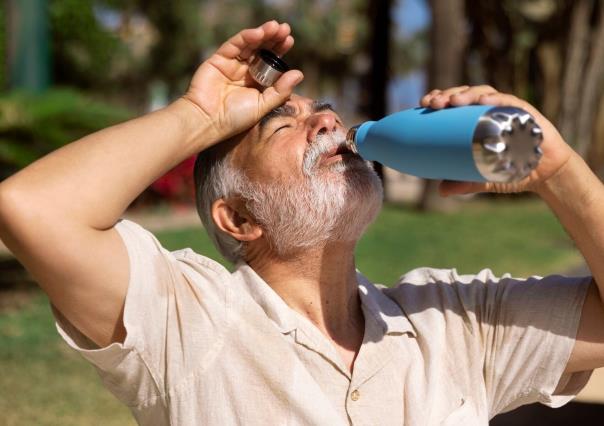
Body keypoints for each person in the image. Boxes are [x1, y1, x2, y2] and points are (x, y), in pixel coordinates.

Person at [0, 20, 603, 425]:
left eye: (324, 113)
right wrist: (198, 115)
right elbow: (34, 208)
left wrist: (555, 168)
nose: (327, 124)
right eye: (284, 126)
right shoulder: (186, 321)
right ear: (238, 218)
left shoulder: (454, 323)